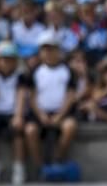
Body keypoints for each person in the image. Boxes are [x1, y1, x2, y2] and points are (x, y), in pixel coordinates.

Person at [24, 32, 78, 172]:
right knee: (30, 130)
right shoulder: (35, 71)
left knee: (70, 126)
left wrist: (60, 115)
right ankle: (40, 167)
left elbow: (70, 95)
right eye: (45, 49)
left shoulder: (68, 70)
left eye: (52, 49)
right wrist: (41, 115)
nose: (48, 53)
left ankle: (57, 159)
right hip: (39, 114)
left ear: (58, 51)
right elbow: (32, 97)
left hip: (62, 113)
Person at [0, 42, 28, 185]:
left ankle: (19, 166)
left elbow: (21, 96)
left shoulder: (20, 77)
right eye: (3, 59)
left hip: (14, 112)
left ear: (15, 61)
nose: (6, 63)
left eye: (10, 59)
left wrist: (18, 115)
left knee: (18, 130)